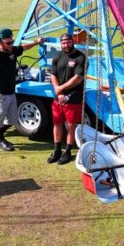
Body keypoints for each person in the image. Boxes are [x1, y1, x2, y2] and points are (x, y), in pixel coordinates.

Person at [0, 28, 44, 151]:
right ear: (1, 42)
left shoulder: (13, 51)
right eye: (8, 43)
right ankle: (1, 140)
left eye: (12, 42)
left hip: (11, 91)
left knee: (12, 120)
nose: (11, 45)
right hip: (0, 92)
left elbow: (24, 47)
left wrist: (36, 42)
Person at [48, 33, 87, 165]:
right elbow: (53, 74)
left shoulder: (81, 57)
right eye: (63, 43)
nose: (66, 45)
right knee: (57, 124)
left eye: (68, 42)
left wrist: (61, 88)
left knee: (71, 126)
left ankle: (68, 151)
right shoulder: (57, 56)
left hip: (73, 98)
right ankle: (57, 150)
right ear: (61, 44)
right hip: (58, 98)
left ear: (72, 41)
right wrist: (58, 91)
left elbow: (78, 78)